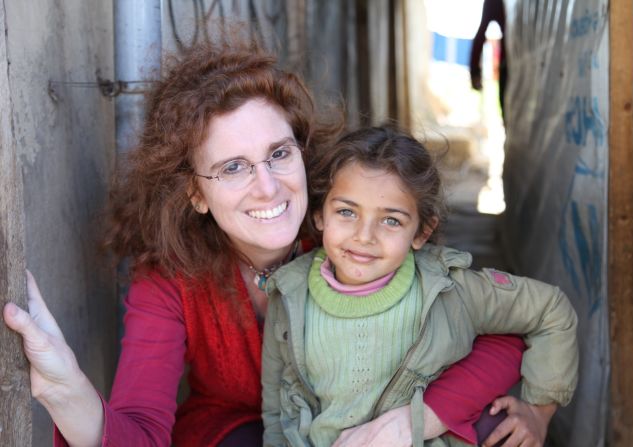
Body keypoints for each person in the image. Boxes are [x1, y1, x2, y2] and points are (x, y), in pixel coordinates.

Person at [3, 39, 554, 447]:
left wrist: (418, 420)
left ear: (302, 151)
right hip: (242, 433)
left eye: (278, 154)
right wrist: (65, 391)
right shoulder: (169, 280)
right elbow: (142, 435)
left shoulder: (348, 229)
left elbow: (498, 337)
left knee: (486, 428)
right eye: (234, 166)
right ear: (195, 192)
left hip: (372, 419)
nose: (268, 186)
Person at [262, 126, 578, 447]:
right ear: (319, 215)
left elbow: (550, 309)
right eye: (346, 212)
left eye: (391, 220)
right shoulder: (289, 294)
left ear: (421, 233)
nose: (364, 235)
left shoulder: (448, 289)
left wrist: (539, 412)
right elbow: (277, 412)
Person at [469, 0, 507, 117]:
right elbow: (481, 34)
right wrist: (475, 71)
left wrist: (474, 71)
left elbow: (481, 34)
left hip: (510, 65)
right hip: (509, 66)